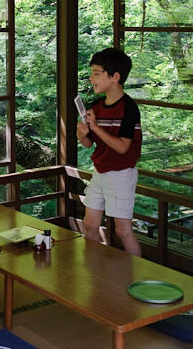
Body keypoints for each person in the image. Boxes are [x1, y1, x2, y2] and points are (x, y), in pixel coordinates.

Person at [76, 48, 142, 256]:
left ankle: (137, 278)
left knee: (123, 229)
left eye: (96, 73)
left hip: (122, 174)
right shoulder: (96, 106)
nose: (91, 78)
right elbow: (88, 144)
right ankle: (93, 271)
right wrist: (82, 134)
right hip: (100, 172)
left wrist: (95, 128)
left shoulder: (129, 108)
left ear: (115, 77)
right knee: (90, 224)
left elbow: (123, 147)